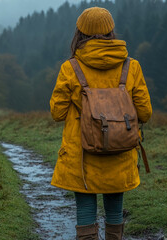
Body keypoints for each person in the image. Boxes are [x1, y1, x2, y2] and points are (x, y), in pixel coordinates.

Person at [49, 7, 152, 240]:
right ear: (110, 31)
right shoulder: (131, 66)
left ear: (80, 32)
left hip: (82, 156)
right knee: (115, 210)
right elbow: (144, 113)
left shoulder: (70, 67)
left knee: (85, 210)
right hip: (121, 149)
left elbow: (57, 112)